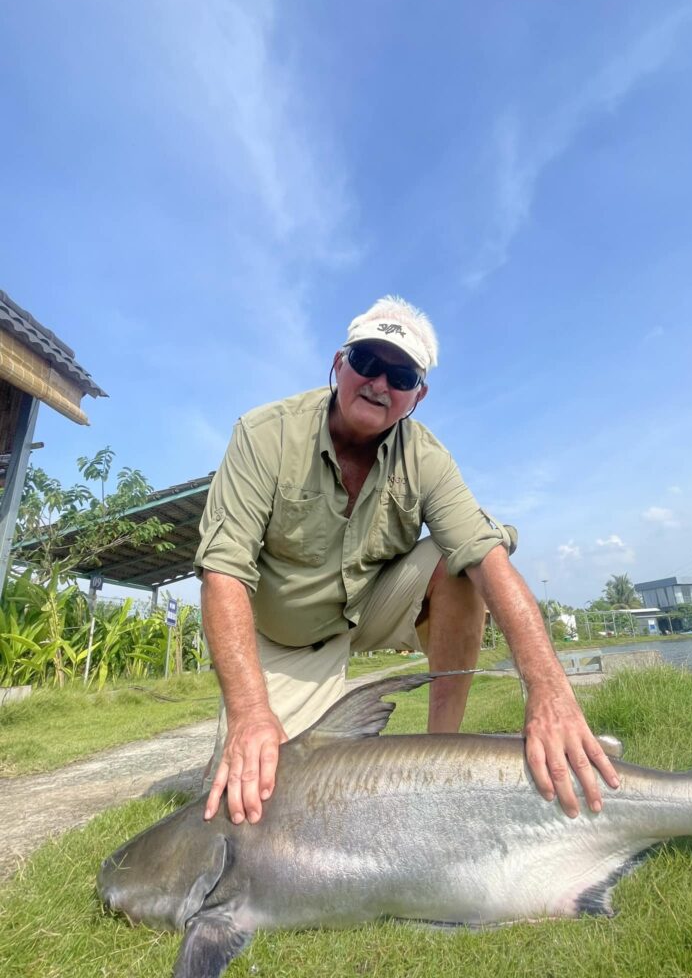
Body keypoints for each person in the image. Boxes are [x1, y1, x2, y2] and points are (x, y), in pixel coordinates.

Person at [195, 295, 619, 826]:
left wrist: (549, 687)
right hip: (283, 635)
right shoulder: (263, 435)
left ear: (418, 393)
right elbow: (224, 573)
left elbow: (487, 559)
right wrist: (251, 712)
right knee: (260, 806)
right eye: (367, 362)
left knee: (459, 557)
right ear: (338, 362)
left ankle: (440, 758)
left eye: (400, 375)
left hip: (368, 608)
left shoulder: (427, 459)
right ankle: (263, 717)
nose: (379, 383)